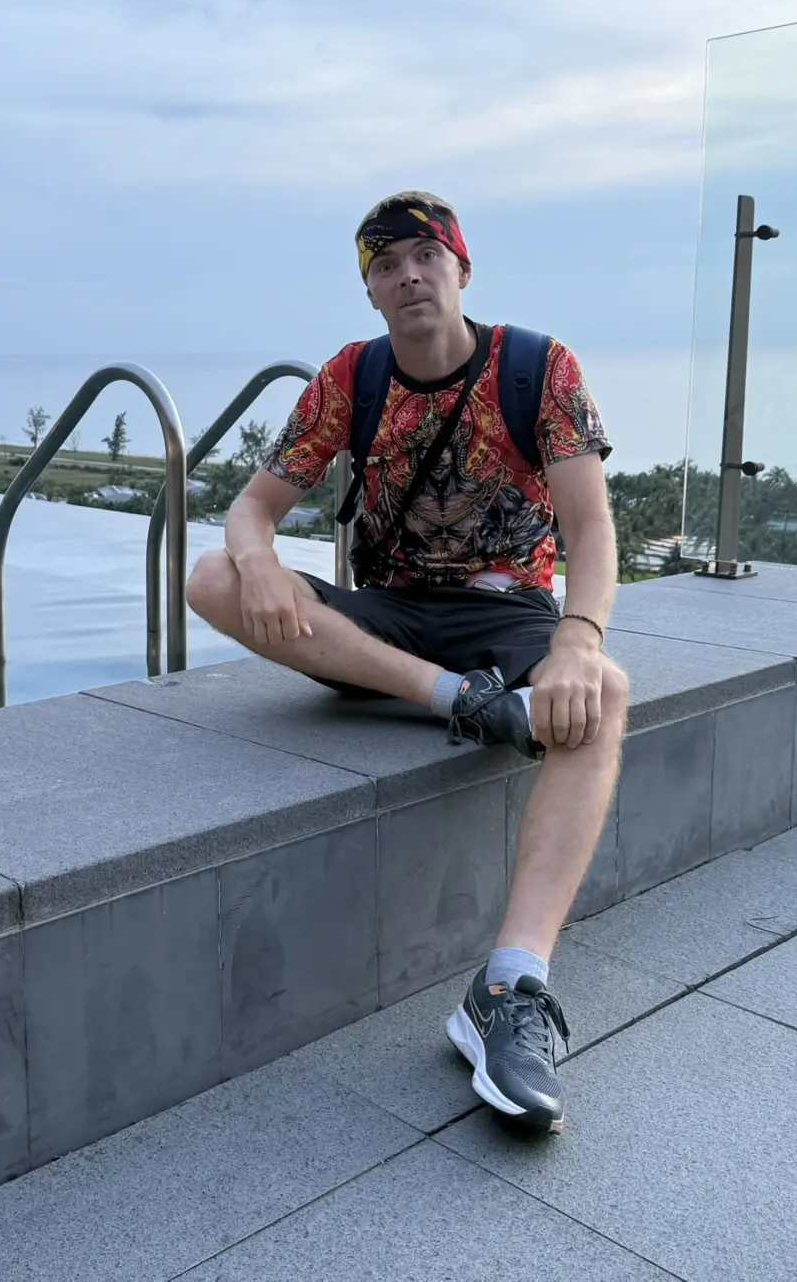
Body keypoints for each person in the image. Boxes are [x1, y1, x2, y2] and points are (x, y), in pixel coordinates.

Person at [185, 191, 626, 1134]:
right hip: (391, 620)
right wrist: (257, 560)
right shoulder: (354, 376)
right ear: (372, 292)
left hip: (507, 611)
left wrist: (579, 640)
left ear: (462, 269)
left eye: (426, 256)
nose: (408, 275)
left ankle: (509, 988)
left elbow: (592, 530)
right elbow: (250, 511)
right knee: (212, 578)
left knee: (606, 693)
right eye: (386, 265)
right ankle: (457, 701)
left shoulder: (537, 367)